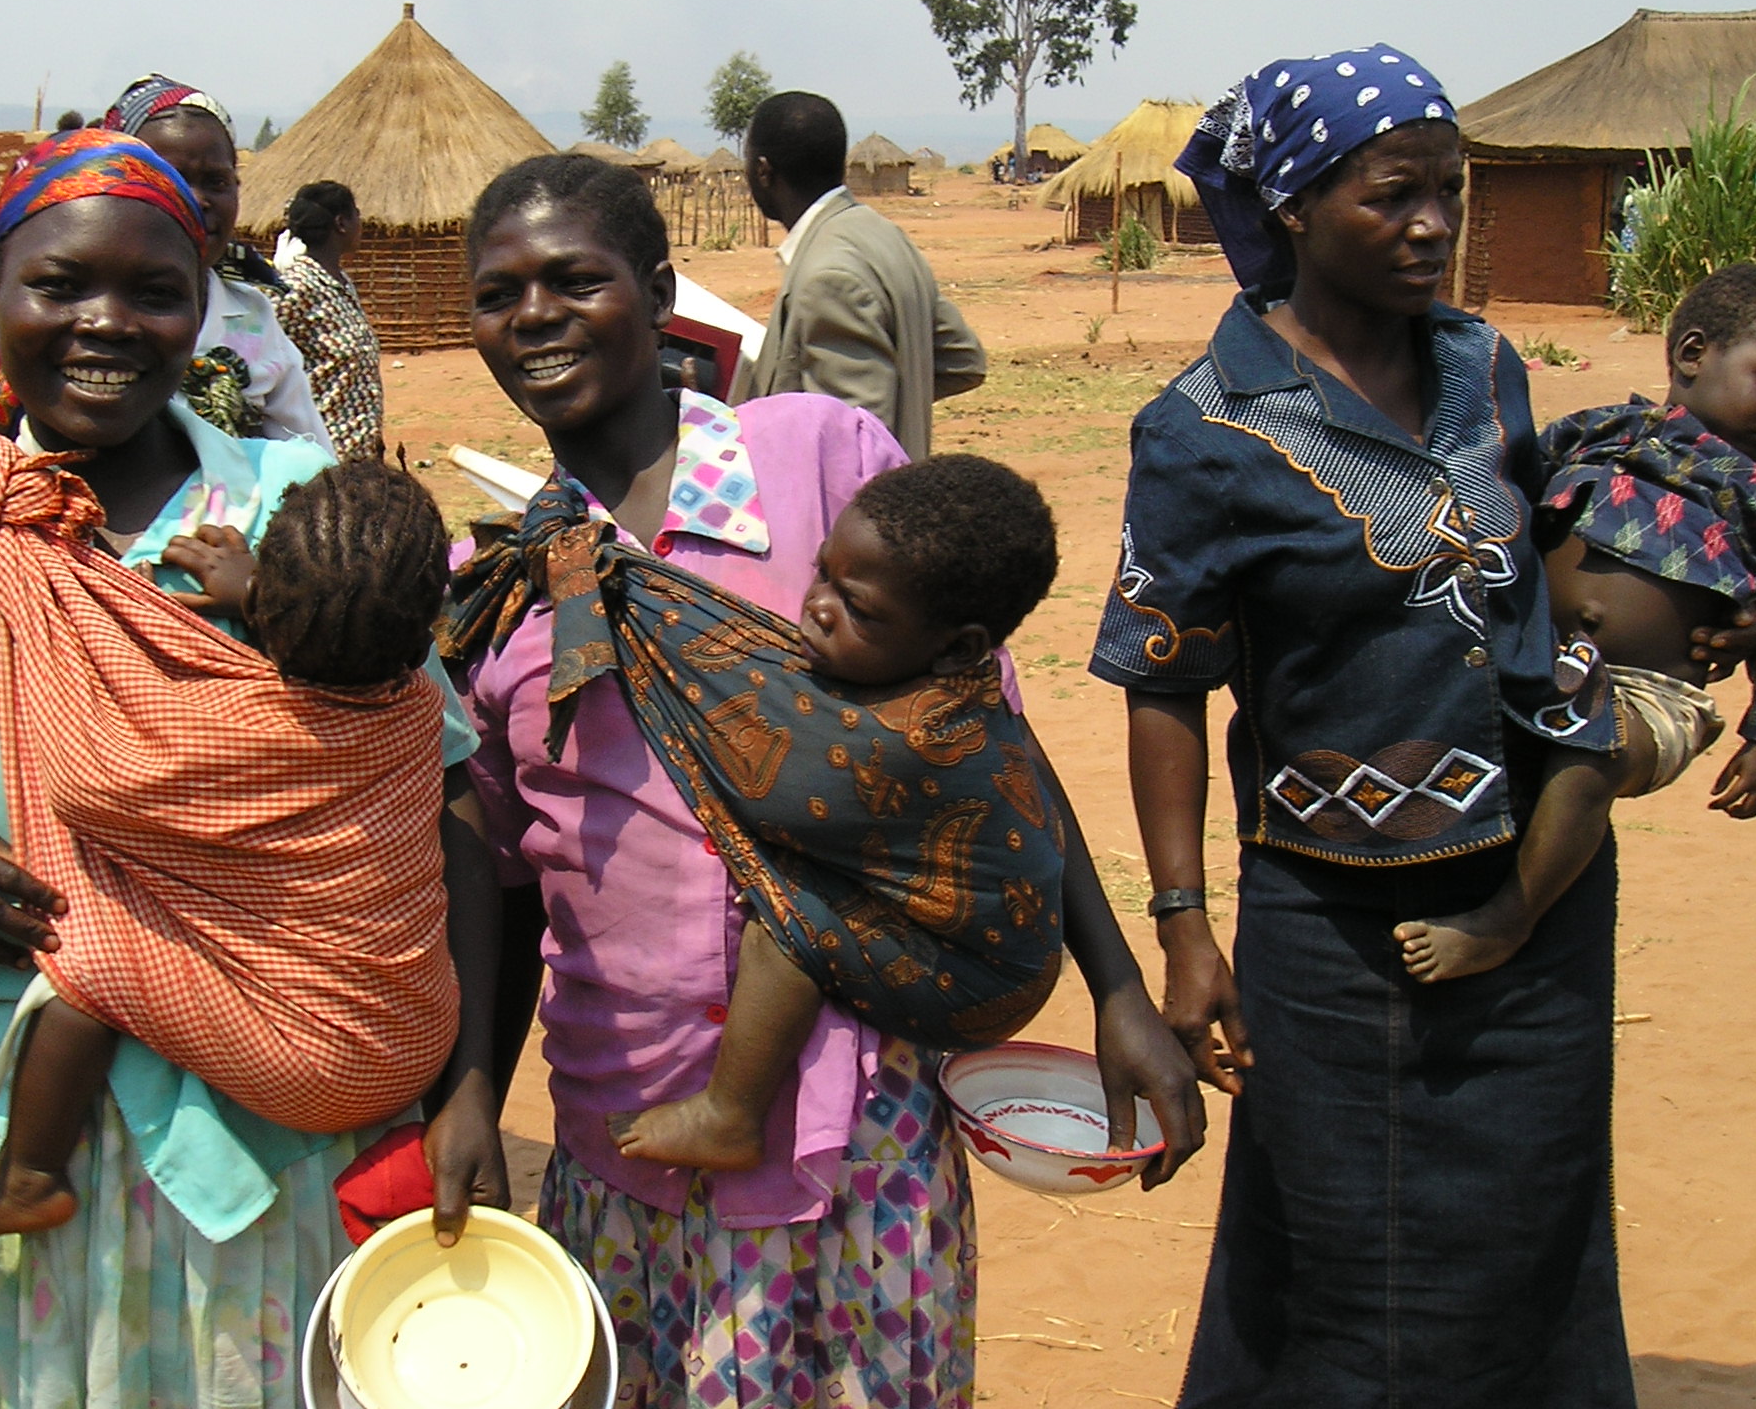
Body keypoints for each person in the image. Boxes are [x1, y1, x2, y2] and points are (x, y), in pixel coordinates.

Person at [447, 153, 1198, 1409]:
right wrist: (473, 1083)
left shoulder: (816, 459)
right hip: (618, 1129)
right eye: (498, 292)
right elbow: (513, 881)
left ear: (659, 287)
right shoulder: (505, 585)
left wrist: (1120, 982)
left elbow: (985, 748)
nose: (534, 314)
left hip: (857, 1125)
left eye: (575, 279)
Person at [1093, 46, 1756, 1407]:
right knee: (1338, 1266)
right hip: (1335, 928)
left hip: (1540, 898)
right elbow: (1164, 679)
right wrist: (1183, 926)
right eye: (1394, 195)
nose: (1432, 227)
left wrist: (1682, 623)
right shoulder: (1206, 425)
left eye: (1450, 194)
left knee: (1538, 1231)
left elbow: (1540, 565)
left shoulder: (1482, 365)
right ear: (1292, 205)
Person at [0, 131, 506, 1408]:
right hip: (44, 1165)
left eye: (155, 291)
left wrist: (469, 1085)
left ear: (203, 309)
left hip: (293, 1142)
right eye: (61, 283)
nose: (107, 323)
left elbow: (442, 803)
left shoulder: (304, 513)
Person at [594, 451, 1069, 1173]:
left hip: (981, 981)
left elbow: (776, 785)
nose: (817, 604)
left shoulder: (914, 740)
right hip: (997, 942)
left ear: (960, 650)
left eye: (859, 608)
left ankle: (729, 1114)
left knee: (788, 915)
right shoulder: (928, 681)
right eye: (821, 573)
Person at [1395, 263, 1756, 982]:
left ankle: (1510, 919)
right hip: (1538, 663)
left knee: (1589, 753)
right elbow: (1507, 484)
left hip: (1649, 695)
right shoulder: (1600, 432)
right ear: (1692, 355)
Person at [735, 91, 986, 457]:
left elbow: (853, 455)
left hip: (855, 513)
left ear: (763, 170)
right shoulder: (882, 234)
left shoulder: (828, 277)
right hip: (901, 499)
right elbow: (961, 359)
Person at [101, 74, 332, 450]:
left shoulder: (252, 317)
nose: (197, 199)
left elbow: (309, 453)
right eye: (170, 178)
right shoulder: (84, 311)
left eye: (216, 182)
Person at [271, 180, 386, 460]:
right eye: (356, 214)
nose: (362, 222)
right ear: (341, 223)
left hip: (361, 454)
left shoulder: (342, 283)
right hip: (323, 457)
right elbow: (259, 358)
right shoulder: (296, 289)